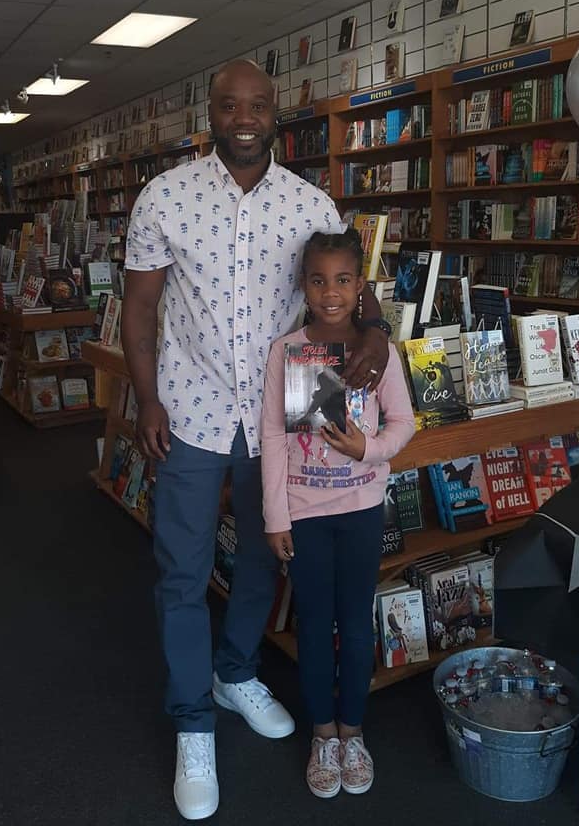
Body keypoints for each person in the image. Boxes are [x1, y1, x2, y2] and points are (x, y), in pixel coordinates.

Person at [121, 60, 391, 820]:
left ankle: (234, 671)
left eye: (259, 105)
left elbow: (351, 295)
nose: (244, 116)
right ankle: (193, 726)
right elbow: (140, 310)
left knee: (267, 557)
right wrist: (146, 398)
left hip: (285, 417)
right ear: (209, 113)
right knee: (183, 570)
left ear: (279, 114)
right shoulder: (164, 197)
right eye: (230, 105)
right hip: (192, 410)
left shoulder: (311, 203)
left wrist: (371, 330)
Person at [260, 228, 415, 799]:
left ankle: (353, 731)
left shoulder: (378, 353)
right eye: (319, 280)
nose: (331, 293)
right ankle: (322, 734)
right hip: (305, 513)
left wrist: (366, 449)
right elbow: (274, 437)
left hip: (361, 509)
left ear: (360, 287)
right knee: (314, 622)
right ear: (303, 285)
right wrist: (277, 516)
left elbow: (403, 423)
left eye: (344, 280)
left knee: (354, 626)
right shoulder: (289, 350)